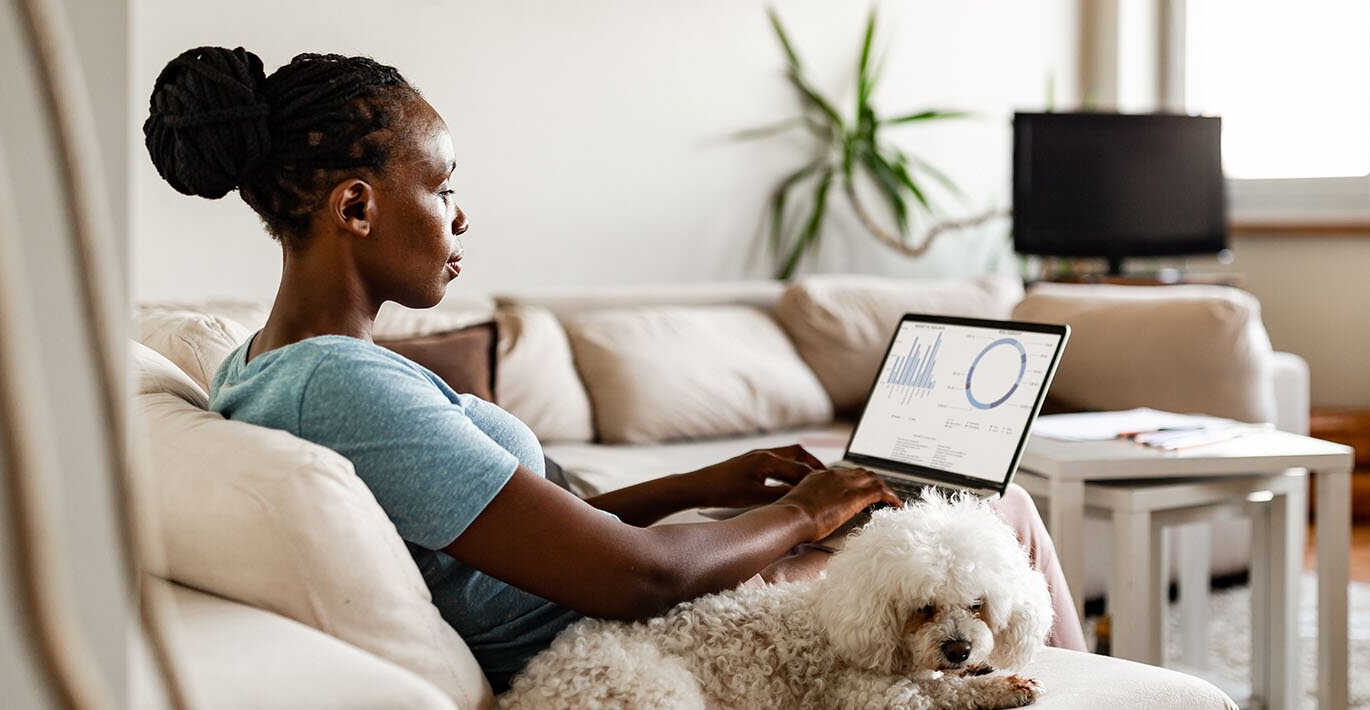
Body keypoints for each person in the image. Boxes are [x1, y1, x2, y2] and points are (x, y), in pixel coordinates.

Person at [143, 47, 1087, 693]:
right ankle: (1092, 691)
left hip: (615, 600)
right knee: (992, 512)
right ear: (356, 207)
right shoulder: (341, 387)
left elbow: (524, 533)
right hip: (632, 636)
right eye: (441, 187)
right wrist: (807, 511)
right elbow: (629, 580)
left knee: (930, 508)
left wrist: (703, 484)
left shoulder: (260, 367)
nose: (459, 217)